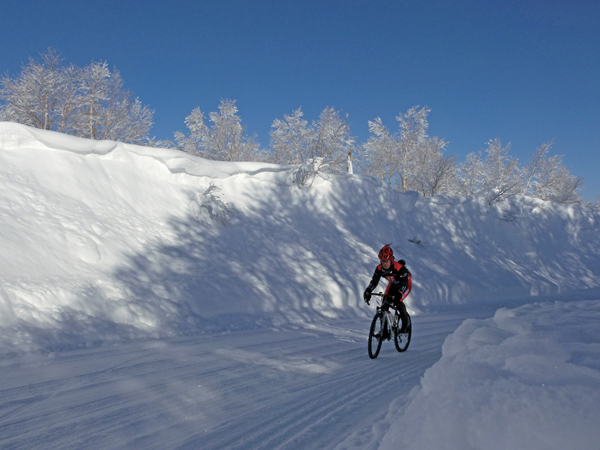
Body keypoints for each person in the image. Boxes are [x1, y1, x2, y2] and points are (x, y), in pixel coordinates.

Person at [363, 245, 412, 333]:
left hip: (406, 284)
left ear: (391, 260)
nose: (384, 263)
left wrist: (400, 293)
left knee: (398, 301)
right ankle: (384, 332)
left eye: (386, 261)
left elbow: (404, 282)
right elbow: (374, 281)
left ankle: (405, 324)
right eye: (382, 261)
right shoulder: (379, 268)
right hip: (393, 284)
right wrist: (368, 290)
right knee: (384, 304)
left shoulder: (399, 268)